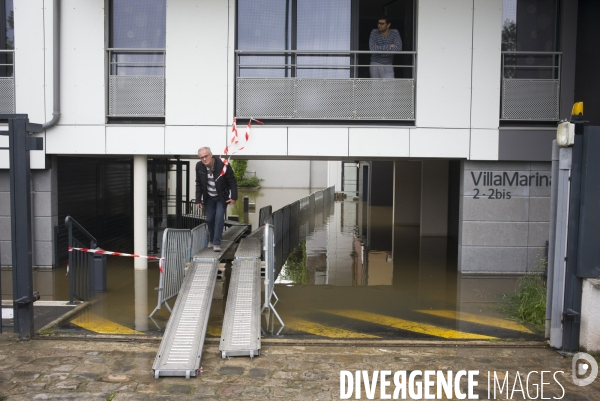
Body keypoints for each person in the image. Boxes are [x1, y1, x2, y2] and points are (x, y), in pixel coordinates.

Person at [195, 147, 237, 252]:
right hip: (209, 197)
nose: (204, 159)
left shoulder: (223, 164)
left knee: (219, 218)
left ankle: (216, 243)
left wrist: (233, 197)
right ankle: (212, 240)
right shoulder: (199, 166)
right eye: (201, 157)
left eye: (206, 156)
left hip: (221, 197)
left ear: (211, 155)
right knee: (209, 219)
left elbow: (232, 181)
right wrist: (198, 200)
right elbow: (199, 183)